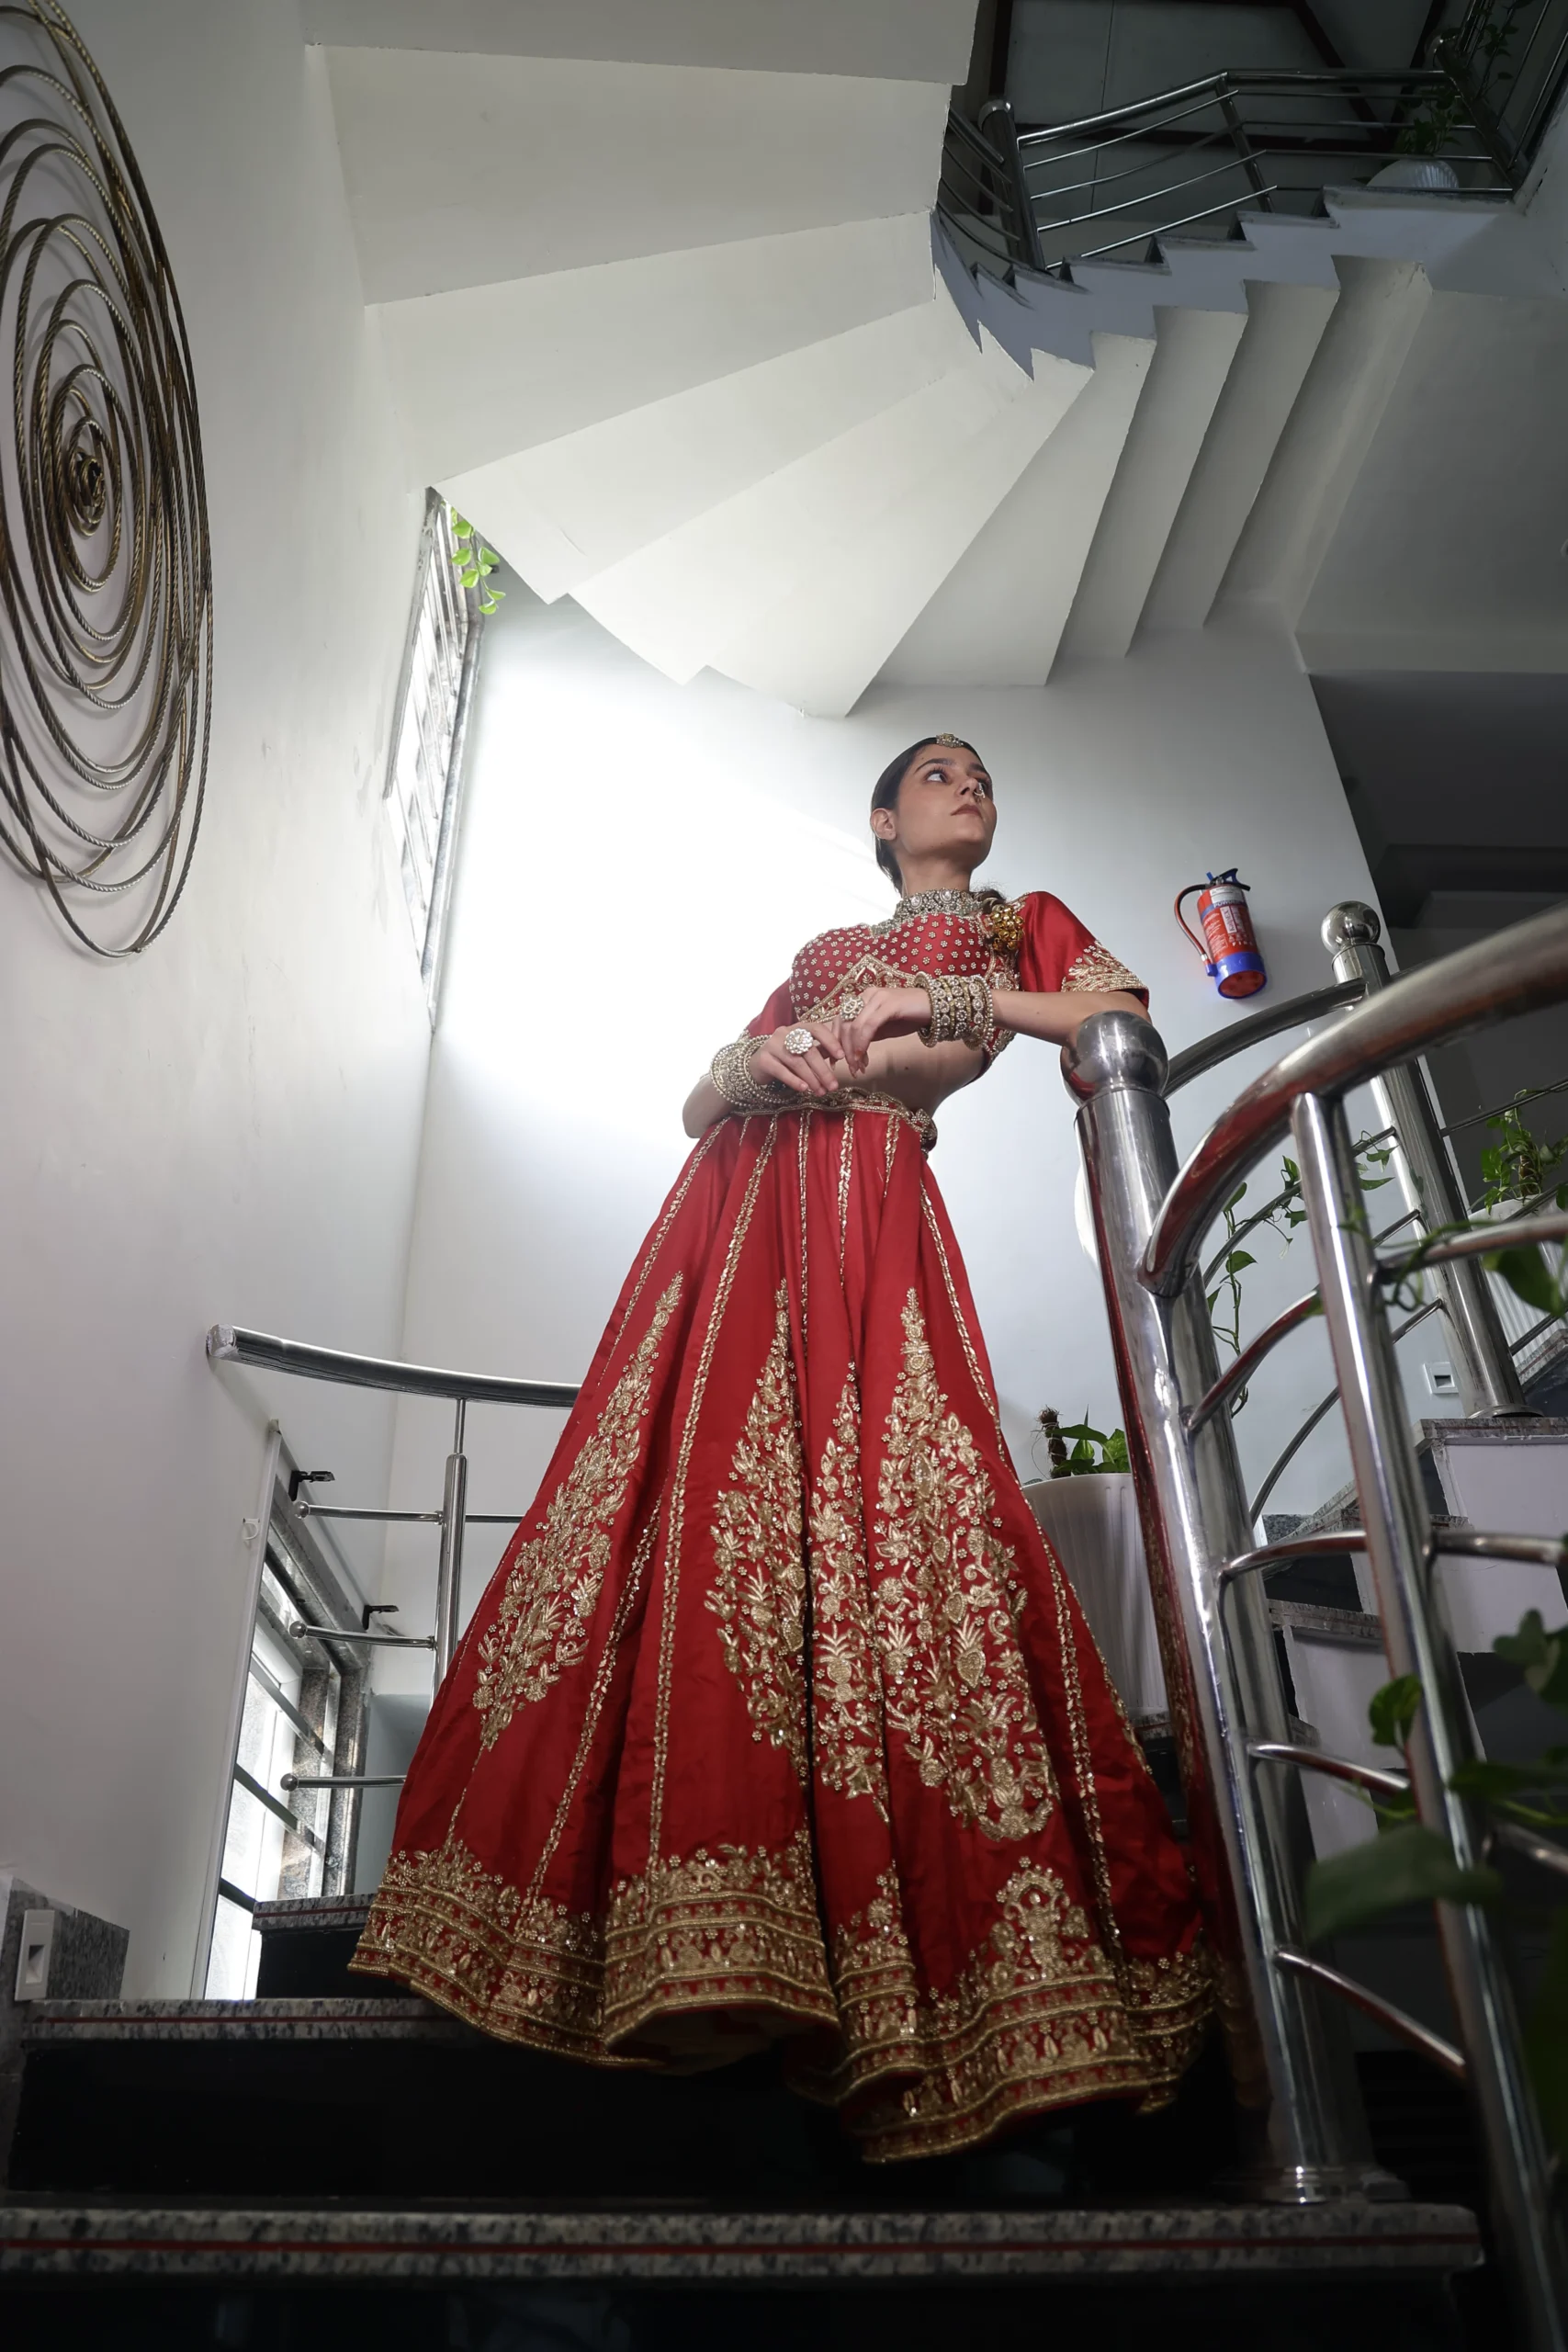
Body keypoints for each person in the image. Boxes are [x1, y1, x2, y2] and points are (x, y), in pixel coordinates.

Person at [353, 734, 1210, 2162]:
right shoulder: (819, 947)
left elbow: (1115, 1017)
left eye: (982, 773)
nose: (970, 785)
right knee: (700, 1515)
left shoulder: (1018, 918)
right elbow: (697, 1104)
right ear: (881, 817)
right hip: (737, 1202)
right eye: (937, 773)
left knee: (899, 1509)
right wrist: (750, 1059)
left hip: (869, 1192)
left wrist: (934, 998)